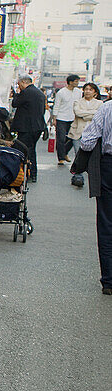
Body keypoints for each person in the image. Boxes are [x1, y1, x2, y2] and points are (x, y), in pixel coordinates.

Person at [77, 99, 112, 294]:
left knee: (106, 223)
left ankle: (108, 281)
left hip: (109, 166)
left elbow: (88, 141)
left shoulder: (106, 108)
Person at [10, 76, 47, 182]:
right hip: (37, 127)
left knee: (23, 150)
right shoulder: (39, 93)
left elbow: (15, 103)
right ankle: (32, 173)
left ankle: (21, 173)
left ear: (23, 82)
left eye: (19, 84)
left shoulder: (26, 92)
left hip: (26, 127)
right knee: (31, 149)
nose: (18, 86)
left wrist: (16, 94)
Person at [69, 82, 102, 187]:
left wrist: (86, 114)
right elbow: (78, 113)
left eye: (90, 89)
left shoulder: (100, 103)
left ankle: (93, 178)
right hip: (78, 132)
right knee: (78, 154)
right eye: (86, 89)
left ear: (95, 92)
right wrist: (92, 113)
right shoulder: (77, 102)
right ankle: (78, 176)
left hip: (93, 133)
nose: (87, 91)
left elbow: (98, 114)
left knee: (93, 157)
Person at [52, 74, 82, 166]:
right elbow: (56, 106)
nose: (77, 83)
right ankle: (61, 158)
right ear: (70, 82)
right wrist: (54, 119)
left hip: (74, 118)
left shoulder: (79, 92)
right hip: (61, 118)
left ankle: (64, 153)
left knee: (73, 138)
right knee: (61, 138)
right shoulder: (61, 92)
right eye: (76, 81)